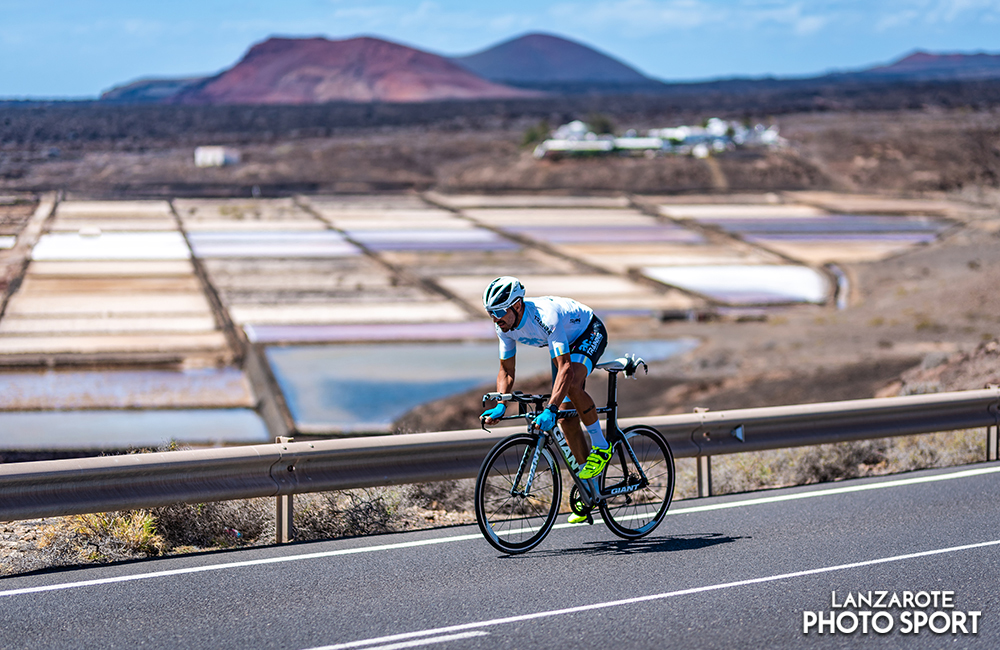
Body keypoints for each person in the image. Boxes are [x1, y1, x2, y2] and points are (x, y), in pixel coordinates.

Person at [479, 276, 612, 490]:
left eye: (499, 312)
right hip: (563, 343)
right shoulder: (503, 326)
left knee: (571, 384)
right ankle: (592, 491)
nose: (495, 319)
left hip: (588, 331)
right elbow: (506, 370)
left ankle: (601, 446)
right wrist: (501, 404)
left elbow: (565, 368)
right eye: (490, 313)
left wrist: (551, 408)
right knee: (567, 422)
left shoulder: (544, 316)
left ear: (517, 305)